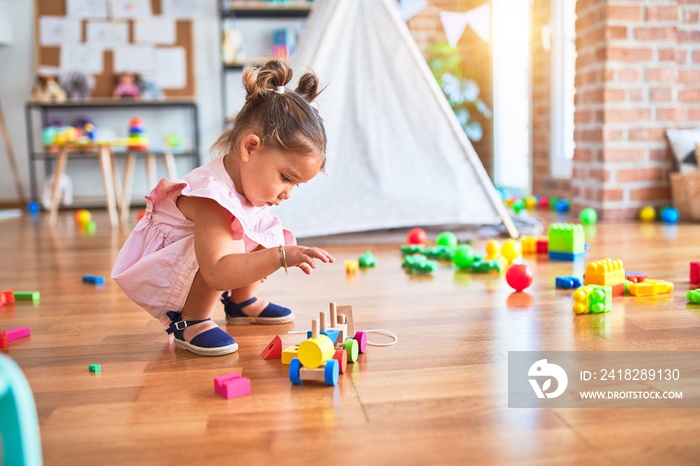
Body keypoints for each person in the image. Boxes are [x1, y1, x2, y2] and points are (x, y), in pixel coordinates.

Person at [112, 60, 334, 357]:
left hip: (207, 257)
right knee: (232, 251)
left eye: (296, 185)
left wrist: (270, 251)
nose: (287, 194)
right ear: (250, 148)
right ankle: (191, 321)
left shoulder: (245, 184)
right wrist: (282, 256)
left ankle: (242, 304)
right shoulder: (212, 199)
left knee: (262, 229)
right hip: (172, 267)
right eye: (285, 178)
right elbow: (217, 272)